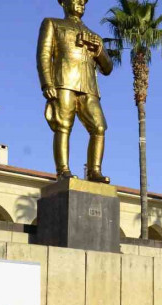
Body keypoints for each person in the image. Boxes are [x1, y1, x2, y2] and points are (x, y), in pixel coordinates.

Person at [37, 0, 114, 183]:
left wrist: (100, 51)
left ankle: (94, 172)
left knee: (99, 127)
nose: (81, 3)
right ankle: (63, 170)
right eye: (77, 0)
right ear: (64, 3)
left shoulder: (93, 35)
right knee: (63, 125)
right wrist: (47, 83)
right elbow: (44, 55)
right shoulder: (52, 23)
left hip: (89, 86)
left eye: (84, 1)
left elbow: (108, 68)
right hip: (63, 81)